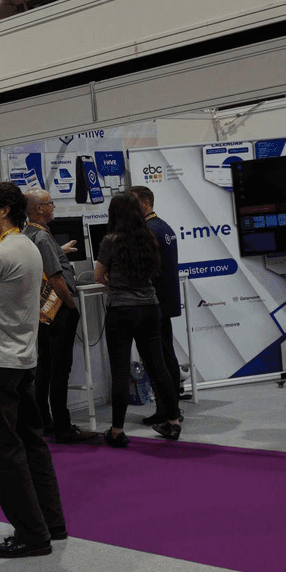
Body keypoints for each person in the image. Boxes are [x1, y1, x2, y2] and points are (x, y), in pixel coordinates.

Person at [0, 181, 67, 558]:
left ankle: (32, 534)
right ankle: (52, 522)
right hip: (23, 360)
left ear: (4, 211)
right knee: (31, 441)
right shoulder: (31, 247)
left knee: (4, 452)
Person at [93, 192, 181, 447]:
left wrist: (113, 276)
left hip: (121, 310)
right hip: (150, 308)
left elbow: (99, 276)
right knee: (158, 366)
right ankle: (173, 422)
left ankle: (117, 431)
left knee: (120, 371)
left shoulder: (110, 241)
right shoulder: (149, 238)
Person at [24, 189, 98, 444]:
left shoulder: (29, 234)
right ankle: (63, 427)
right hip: (58, 310)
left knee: (44, 368)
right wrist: (71, 304)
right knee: (59, 371)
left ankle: (45, 421)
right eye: (50, 203)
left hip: (42, 313)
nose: (54, 206)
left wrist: (59, 251)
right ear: (38, 209)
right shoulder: (42, 237)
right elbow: (55, 278)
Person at [130, 184, 183, 422]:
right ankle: (172, 409)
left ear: (146, 203)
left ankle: (168, 410)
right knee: (166, 355)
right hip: (166, 300)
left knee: (158, 359)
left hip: (154, 302)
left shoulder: (149, 230)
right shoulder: (163, 227)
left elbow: (148, 270)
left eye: (133, 203)